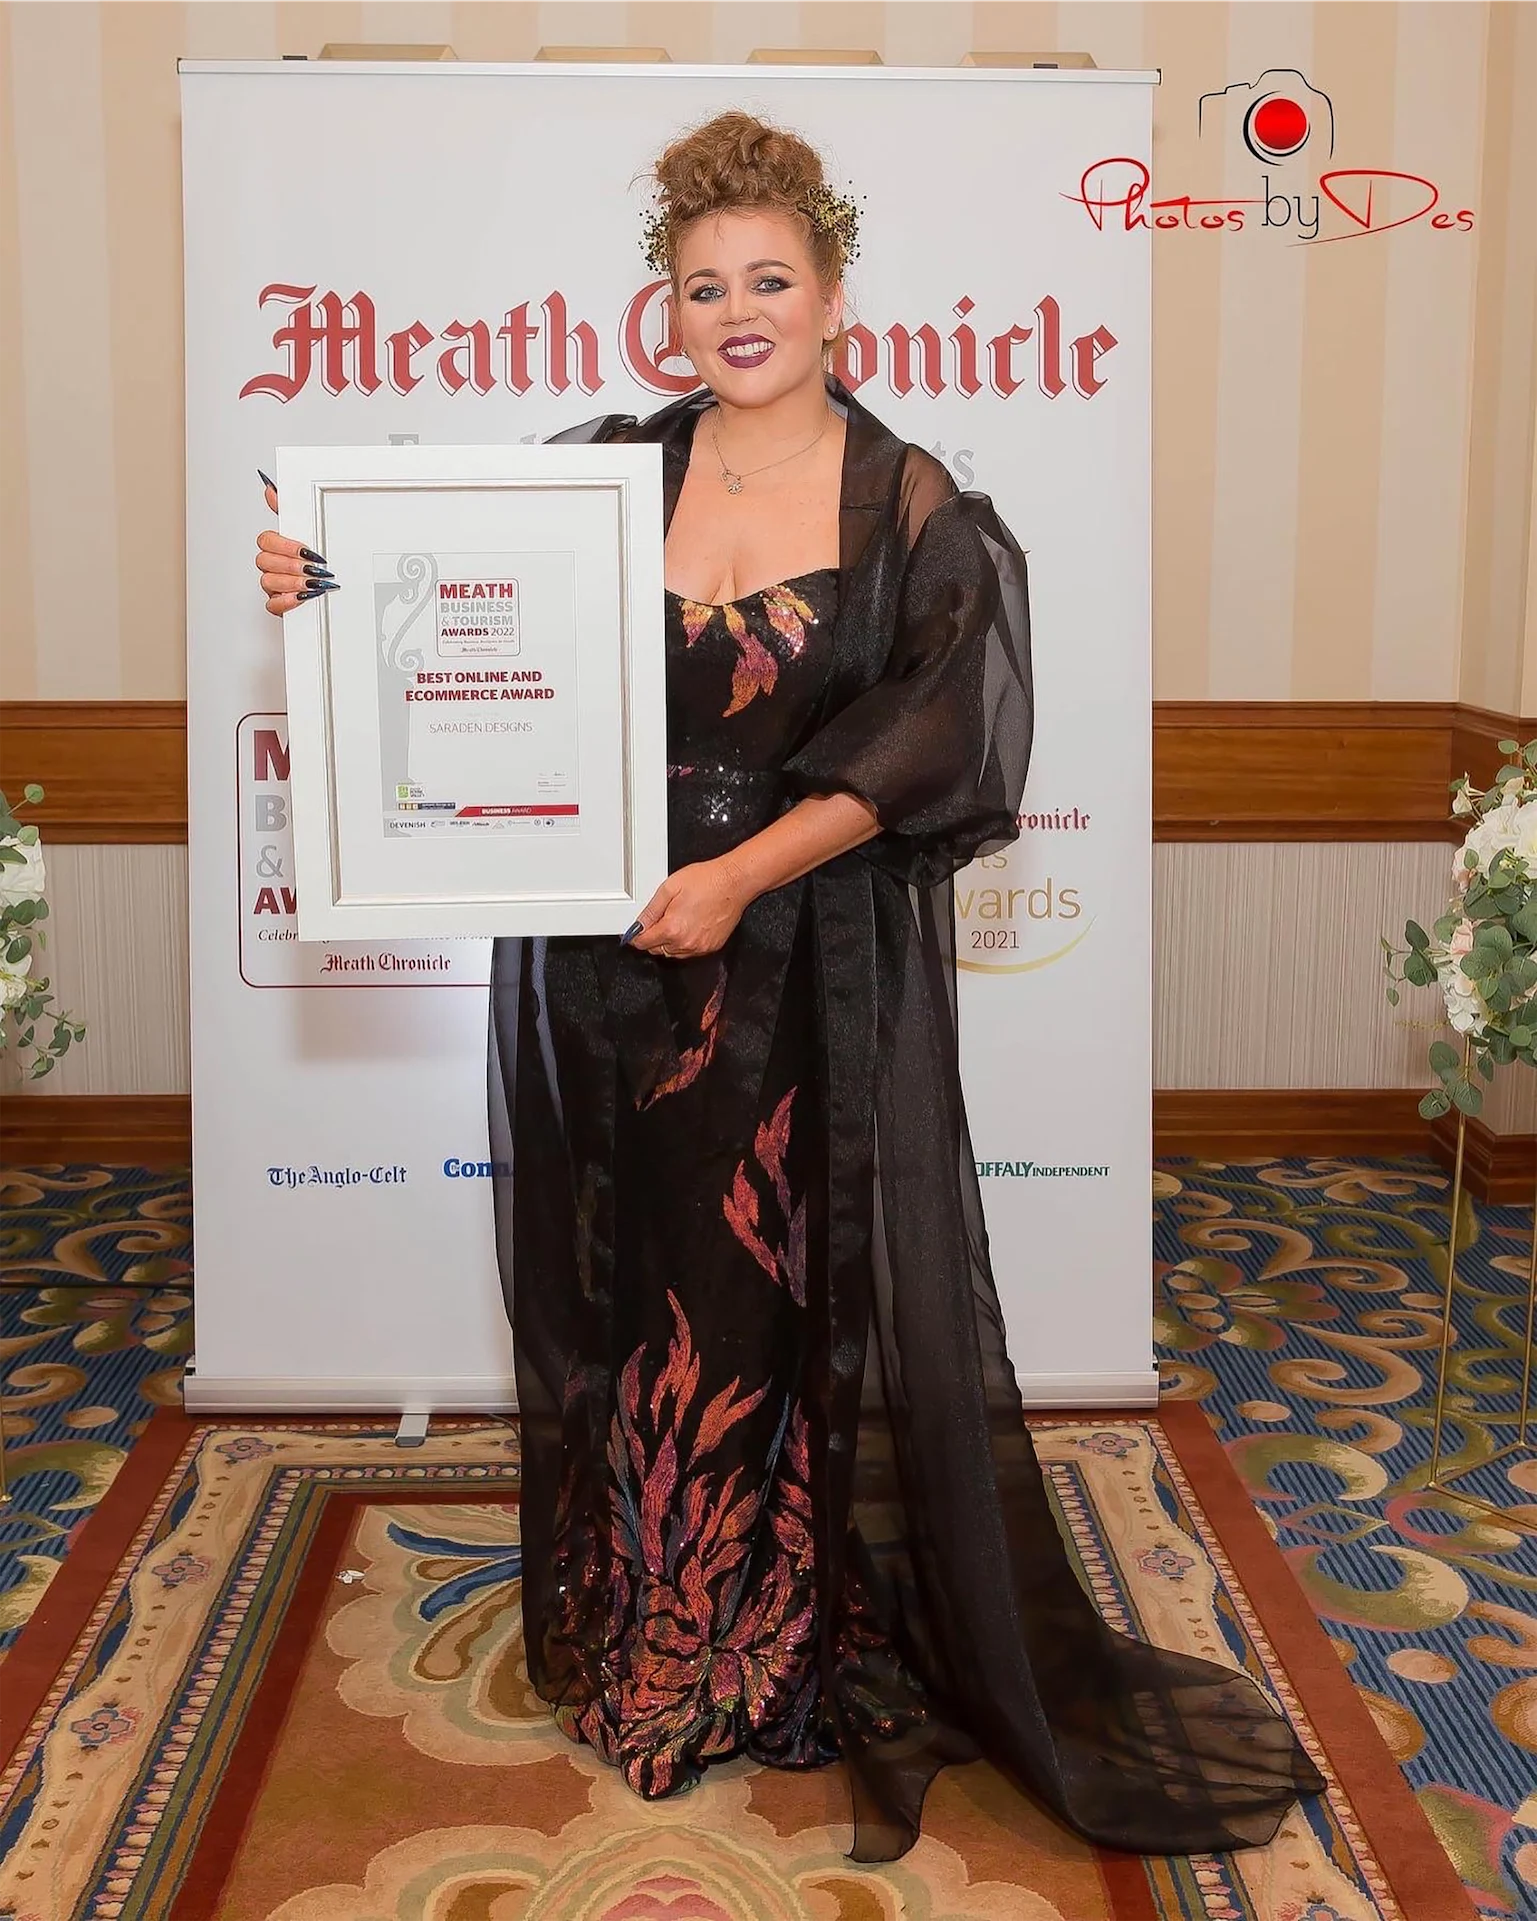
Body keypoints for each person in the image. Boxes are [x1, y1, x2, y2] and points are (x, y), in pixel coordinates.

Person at [256, 110, 1324, 1865]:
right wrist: (319, 583)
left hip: (799, 963)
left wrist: (741, 877)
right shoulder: (604, 473)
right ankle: (657, 1623)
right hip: (602, 965)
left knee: (771, 1296)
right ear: (664, 314)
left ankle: (777, 1641)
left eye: (769, 279)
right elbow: (445, 619)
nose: (737, 311)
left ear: (834, 298)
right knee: (632, 1285)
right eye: (704, 287)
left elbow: (944, 741)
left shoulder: (912, 506)